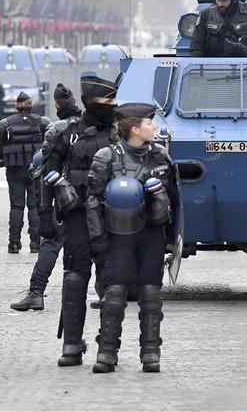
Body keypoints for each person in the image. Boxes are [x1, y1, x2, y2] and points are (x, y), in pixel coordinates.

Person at [86, 102, 179, 373]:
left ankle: (151, 353)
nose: (155, 127)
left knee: (151, 293)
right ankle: (106, 352)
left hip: (151, 233)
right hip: (118, 236)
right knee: (114, 294)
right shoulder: (106, 157)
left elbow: (175, 200)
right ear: (135, 129)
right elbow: (92, 200)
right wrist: (98, 238)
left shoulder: (161, 156)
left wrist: (173, 242)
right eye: (150, 124)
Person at [41, 72, 118, 367]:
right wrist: (44, 217)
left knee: (113, 280)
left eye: (113, 100)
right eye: (105, 100)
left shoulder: (122, 130)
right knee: (75, 276)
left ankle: (107, 346)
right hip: (77, 215)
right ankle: (72, 344)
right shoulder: (65, 132)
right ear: (89, 102)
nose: (111, 105)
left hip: (115, 217)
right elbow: (46, 175)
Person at [10, 84, 83, 312]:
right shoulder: (97, 128)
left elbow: (43, 170)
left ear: (57, 105)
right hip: (92, 199)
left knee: (51, 244)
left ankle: (36, 293)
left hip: (63, 199)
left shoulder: (56, 130)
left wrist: (44, 211)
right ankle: (108, 292)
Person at [0, 92, 51, 253]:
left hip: (14, 171)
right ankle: (36, 244)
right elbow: (51, 146)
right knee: (34, 206)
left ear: (16, 106)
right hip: (37, 170)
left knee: (16, 206)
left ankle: (14, 243)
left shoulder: (5, 124)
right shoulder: (43, 122)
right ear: (31, 105)